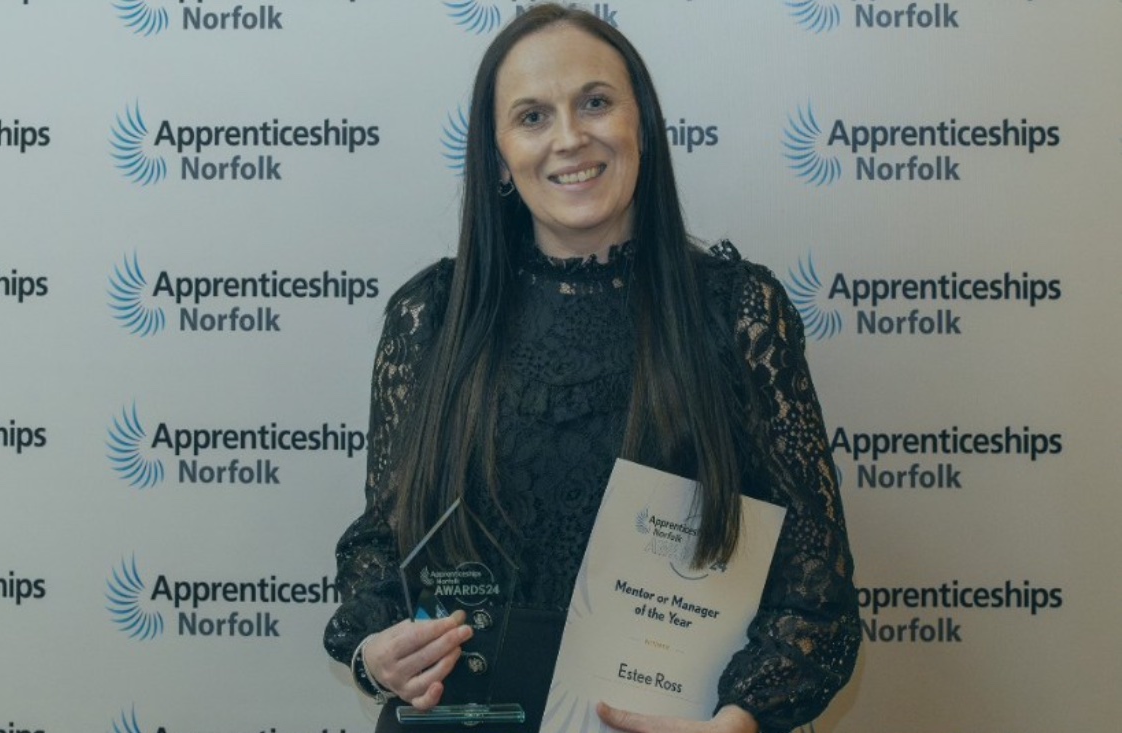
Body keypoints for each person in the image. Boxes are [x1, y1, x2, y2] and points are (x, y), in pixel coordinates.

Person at [324, 5, 860, 733]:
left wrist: (737, 721)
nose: (570, 137)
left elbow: (816, 593)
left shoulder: (736, 314)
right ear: (499, 158)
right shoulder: (433, 316)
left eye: (596, 102)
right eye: (532, 116)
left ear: (643, 125)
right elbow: (381, 548)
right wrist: (374, 654)